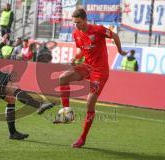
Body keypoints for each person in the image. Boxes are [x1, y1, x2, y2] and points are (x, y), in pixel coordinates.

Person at [53, 8, 127, 148]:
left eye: (79, 22)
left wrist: (120, 50)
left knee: (89, 101)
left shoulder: (98, 30)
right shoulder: (76, 33)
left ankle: (82, 138)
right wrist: (75, 58)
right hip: (87, 66)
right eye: (75, 23)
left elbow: (115, 36)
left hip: (100, 71)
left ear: (85, 19)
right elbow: (83, 49)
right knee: (63, 78)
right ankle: (67, 112)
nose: (76, 25)